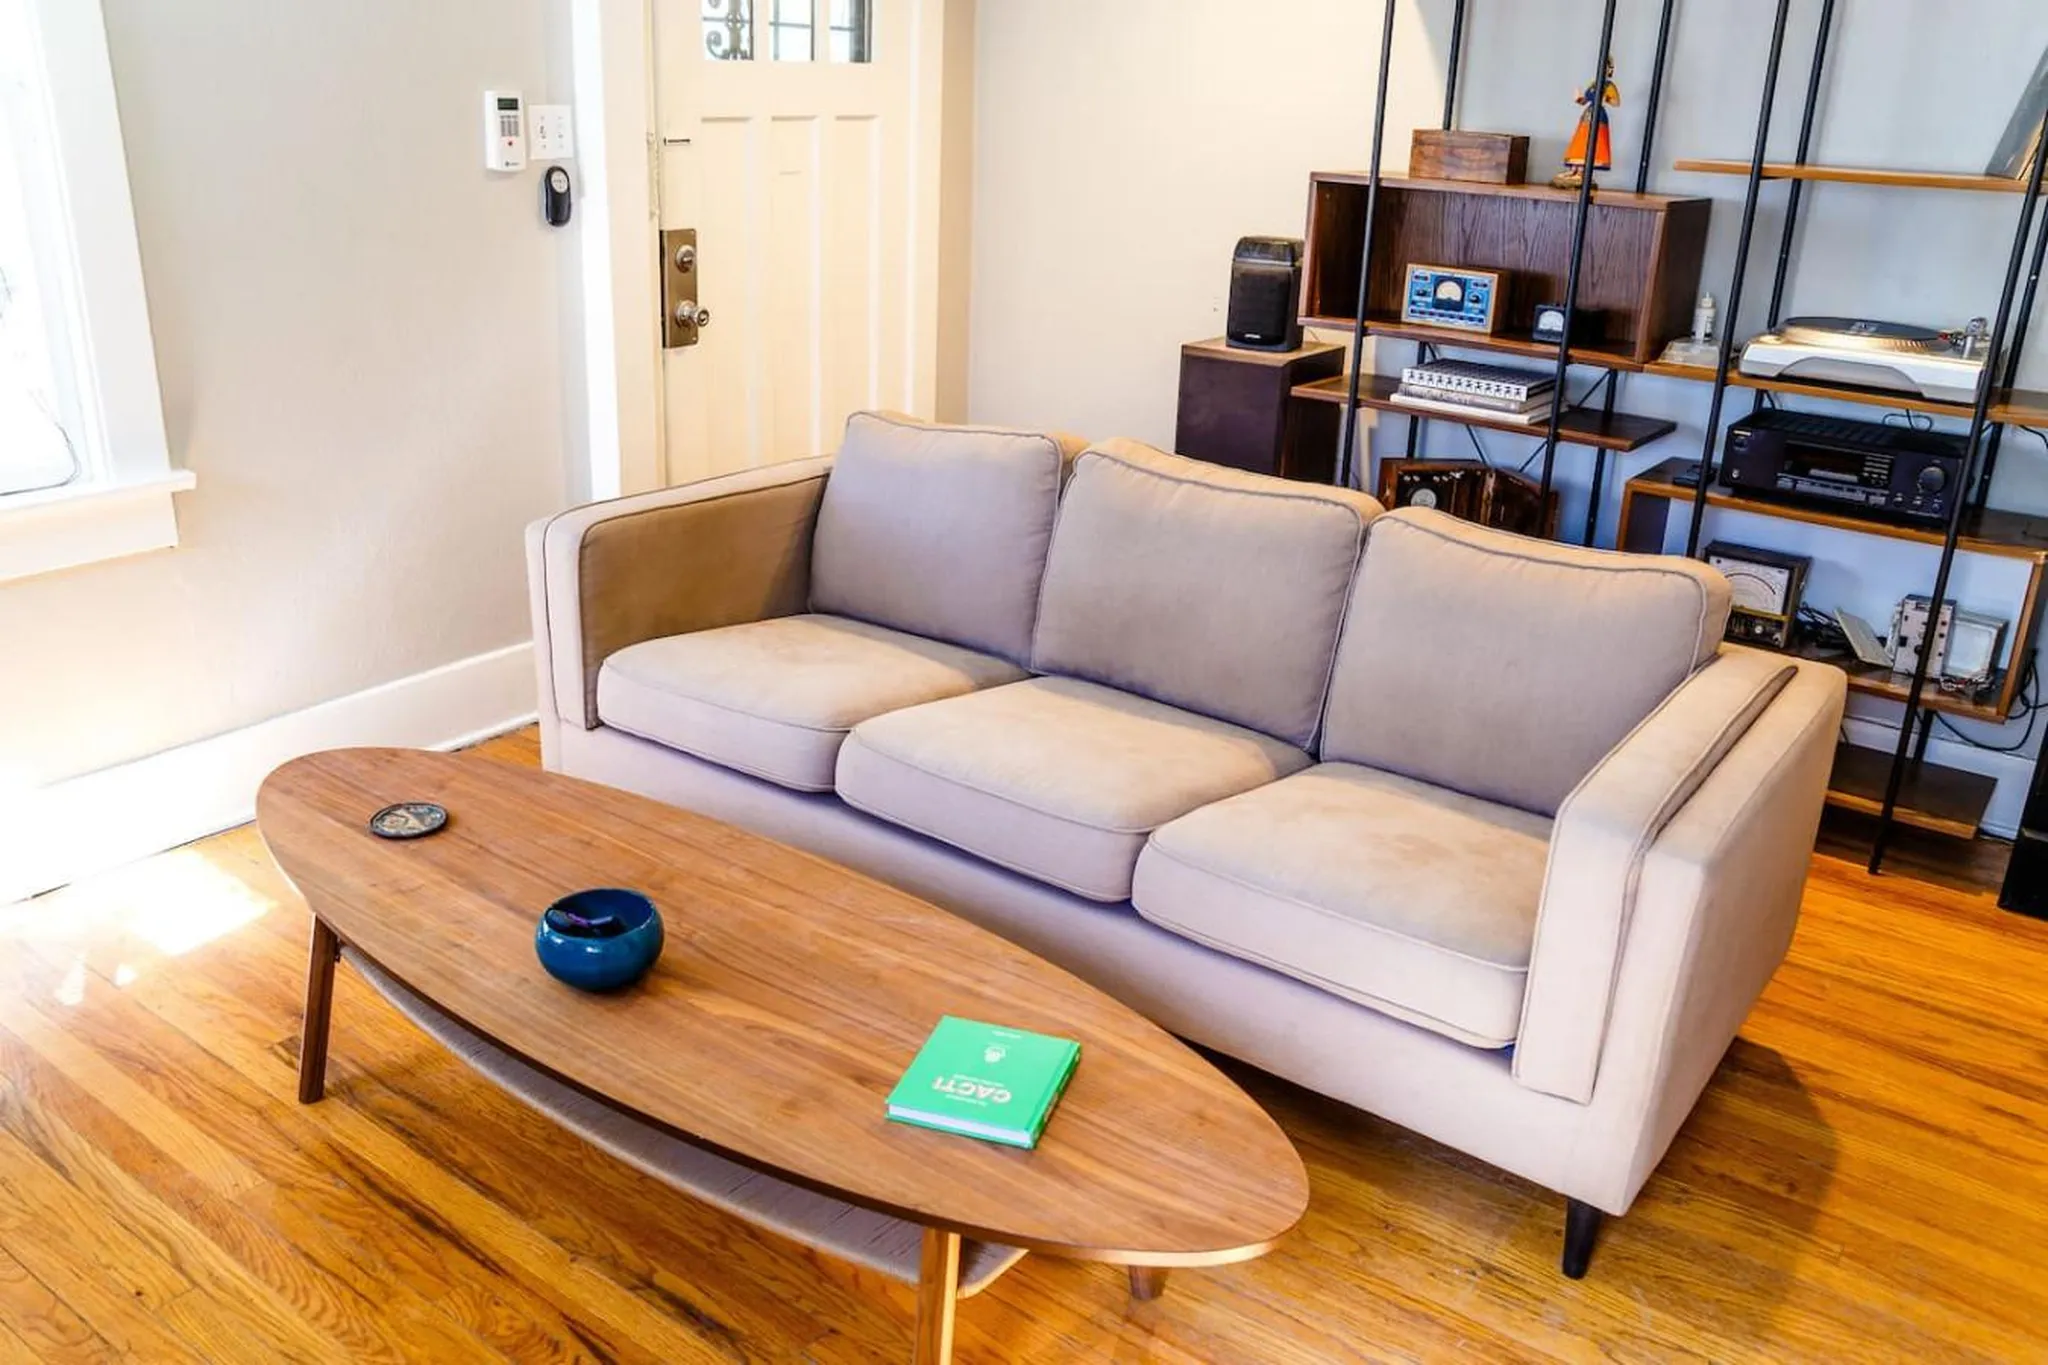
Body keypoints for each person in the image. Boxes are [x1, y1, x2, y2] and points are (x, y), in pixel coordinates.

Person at [1554, 58, 1620, 189]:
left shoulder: (1609, 86)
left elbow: (1616, 103)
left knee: (1592, 142)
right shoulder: (1594, 84)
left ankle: (1583, 171)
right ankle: (1575, 169)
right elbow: (1585, 100)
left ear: (1609, 70)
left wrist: (1605, 98)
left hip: (1598, 116)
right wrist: (1578, 99)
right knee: (1580, 141)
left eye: (1606, 67)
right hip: (1587, 115)